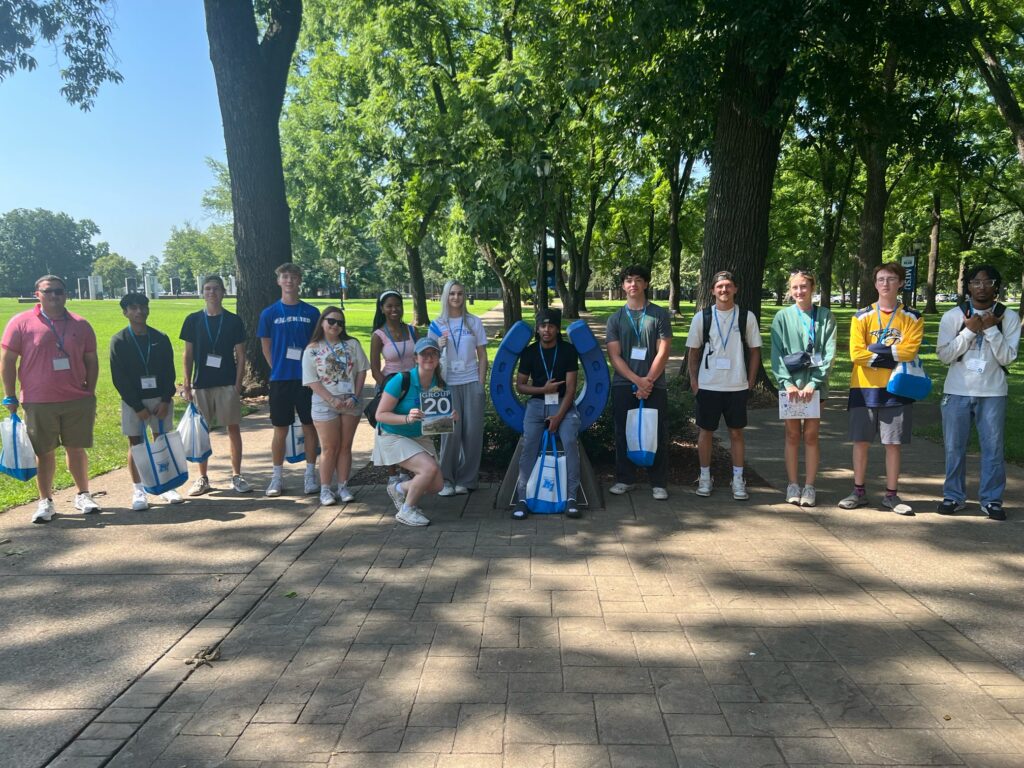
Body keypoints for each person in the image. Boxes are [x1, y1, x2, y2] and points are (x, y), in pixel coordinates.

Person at [1, 275, 100, 522]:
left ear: (65, 294)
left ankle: (83, 494)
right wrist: (9, 395)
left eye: (59, 291)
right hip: (38, 399)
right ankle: (46, 501)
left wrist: (90, 390)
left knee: (76, 449)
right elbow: (8, 360)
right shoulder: (20, 322)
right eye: (48, 292)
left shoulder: (81, 324)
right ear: (38, 294)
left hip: (76, 398)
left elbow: (91, 359)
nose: (54, 296)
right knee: (44, 452)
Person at [935, 264, 1020, 521]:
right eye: (976, 282)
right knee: (954, 447)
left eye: (988, 282)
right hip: (957, 390)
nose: (982, 287)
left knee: (993, 448)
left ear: (997, 286)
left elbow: (1008, 357)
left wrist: (992, 329)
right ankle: (953, 496)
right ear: (968, 286)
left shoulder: (1009, 318)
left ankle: (991, 500)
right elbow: (945, 355)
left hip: (993, 393)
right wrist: (969, 331)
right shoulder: (952, 316)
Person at [838, 262, 923, 515]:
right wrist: (889, 354)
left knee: (892, 443)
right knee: (861, 442)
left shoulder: (912, 317)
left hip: (898, 387)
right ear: (875, 284)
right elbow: (855, 353)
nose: (886, 283)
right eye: (881, 279)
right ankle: (858, 491)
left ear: (900, 283)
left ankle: (892, 495)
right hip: (863, 387)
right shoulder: (861, 315)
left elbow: (910, 351)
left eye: (891, 278)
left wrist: (873, 350)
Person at [686, 270, 763, 500]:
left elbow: (755, 351)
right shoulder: (703, 317)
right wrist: (694, 381)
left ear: (735, 289)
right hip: (708, 385)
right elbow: (693, 351)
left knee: (737, 433)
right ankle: (705, 477)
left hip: (736, 386)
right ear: (712, 291)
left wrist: (750, 380)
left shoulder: (746, 317)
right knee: (705, 432)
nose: (724, 290)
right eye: (720, 287)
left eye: (728, 286)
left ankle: (738, 479)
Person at [769, 268, 838, 507]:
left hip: (814, 387)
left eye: (804, 287)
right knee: (792, 435)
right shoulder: (782, 317)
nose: (799, 291)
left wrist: (813, 383)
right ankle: (792, 484)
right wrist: (786, 383)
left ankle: (809, 486)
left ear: (812, 289)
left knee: (810, 435)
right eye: (795, 287)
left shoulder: (826, 316)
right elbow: (776, 353)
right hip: (791, 387)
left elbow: (829, 354)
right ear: (790, 290)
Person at [109, 293, 183, 510]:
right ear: (125, 312)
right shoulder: (119, 340)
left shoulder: (160, 337)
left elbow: (169, 371)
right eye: (133, 308)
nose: (139, 311)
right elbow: (119, 377)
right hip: (134, 401)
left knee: (161, 441)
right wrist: (137, 406)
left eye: (143, 306)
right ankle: (138, 489)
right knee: (136, 444)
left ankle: (166, 484)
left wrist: (166, 399)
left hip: (160, 399)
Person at [605, 264, 673, 500]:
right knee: (623, 432)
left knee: (657, 432)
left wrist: (648, 381)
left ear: (646, 284)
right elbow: (614, 355)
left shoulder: (659, 314)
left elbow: (663, 351)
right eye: (628, 280)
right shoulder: (615, 319)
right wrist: (637, 381)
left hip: (655, 384)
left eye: (637, 280)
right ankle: (625, 479)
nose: (633, 284)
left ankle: (658, 482)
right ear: (623, 286)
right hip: (624, 384)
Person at [179, 275, 250, 495]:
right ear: (202, 292)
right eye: (208, 289)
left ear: (223, 292)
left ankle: (237, 476)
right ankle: (202, 477)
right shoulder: (193, 320)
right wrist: (187, 384)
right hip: (201, 384)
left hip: (227, 383)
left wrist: (238, 385)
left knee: (233, 429)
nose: (212, 292)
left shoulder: (233, 321)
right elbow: (188, 354)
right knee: (202, 433)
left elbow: (241, 355)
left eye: (216, 289)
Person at [373, 337, 455, 527]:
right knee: (428, 469)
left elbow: (435, 423)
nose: (429, 357)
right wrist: (407, 418)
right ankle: (407, 510)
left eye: (433, 353)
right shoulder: (401, 380)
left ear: (438, 357)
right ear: (416, 358)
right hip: (392, 434)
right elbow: (380, 415)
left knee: (437, 485)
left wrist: (448, 418)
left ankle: (399, 488)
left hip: (418, 435)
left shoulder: (439, 384)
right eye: (424, 354)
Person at [257, 263, 321, 497]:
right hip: (281, 379)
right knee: (280, 429)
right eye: (285, 277)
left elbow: (317, 345)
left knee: (309, 426)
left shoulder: (311, 312)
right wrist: (278, 368)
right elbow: (266, 347)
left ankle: (310, 475)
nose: (289, 281)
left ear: (299, 281)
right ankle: (276, 478)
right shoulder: (269, 313)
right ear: (279, 281)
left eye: (294, 277)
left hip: (307, 380)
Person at [512, 308, 582, 520]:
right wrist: (543, 390)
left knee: (570, 441)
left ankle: (571, 498)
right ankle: (523, 499)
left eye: (551, 326)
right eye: (543, 325)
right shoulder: (530, 352)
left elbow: (570, 389)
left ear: (557, 328)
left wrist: (559, 417)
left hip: (562, 404)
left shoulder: (568, 351)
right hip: (536, 404)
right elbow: (520, 386)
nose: (546, 330)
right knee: (529, 444)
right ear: (537, 328)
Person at [302, 306, 369, 506]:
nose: (335, 326)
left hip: (350, 402)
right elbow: (311, 381)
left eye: (340, 323)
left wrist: (356, 396)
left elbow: (362, 371)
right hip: (325, 403)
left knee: (345, 446)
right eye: (331, 321)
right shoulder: (312, 349)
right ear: (322, 322)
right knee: (329, 447)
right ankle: (325, 489)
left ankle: (343, 486)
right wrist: (331, 400)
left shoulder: (352, 344)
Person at [428, 280, 488, 496]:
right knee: (448, 434)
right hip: (447, 384)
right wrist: (437, 346)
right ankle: (445, 480)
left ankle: (467, 479)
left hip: (471, 382)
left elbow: (482, 356)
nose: (456, 297)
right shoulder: (436, 324)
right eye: (452, 293)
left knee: (472, 433)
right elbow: (427, 360)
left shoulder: (474, 322)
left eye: (460, 293)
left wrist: (480, 383)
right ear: (445, 296)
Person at [369, 290, 418, 486]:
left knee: (409, 425)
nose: (394, 309)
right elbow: (374, 368)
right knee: (390, 429)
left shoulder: (412, 331)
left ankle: (406, 471)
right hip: (390, 385)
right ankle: (392, 474)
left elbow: (420, 358)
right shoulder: (378, 334)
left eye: (397, 305)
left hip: (412, 385)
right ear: (382, 309)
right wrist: (387, 389)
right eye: (389, 306)